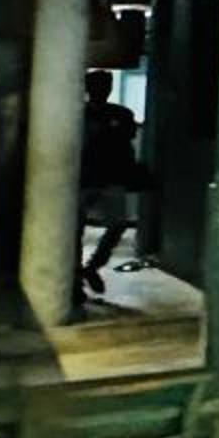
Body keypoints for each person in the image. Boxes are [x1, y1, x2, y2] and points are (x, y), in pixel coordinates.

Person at [79, 69, 146, 296]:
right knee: (74, 228)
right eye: (97, 86)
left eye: (104, 86)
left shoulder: (120, 113)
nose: (101, 91)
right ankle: (78, 274)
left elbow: (126, 138)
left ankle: (91, 267)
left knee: (117, 224)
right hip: (88, 177)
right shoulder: (83, 114)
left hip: (108, 177)